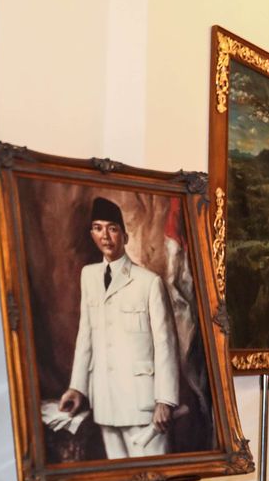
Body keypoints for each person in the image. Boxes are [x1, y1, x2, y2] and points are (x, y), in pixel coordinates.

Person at [58, 196, 179, 459]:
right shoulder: (88, 276)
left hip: (143, 403)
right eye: (98, 228)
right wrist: (77, 387)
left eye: (112, 228)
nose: (105, 236)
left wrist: (165, 400)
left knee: (155, 479)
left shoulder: (148, 282)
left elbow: (165, 344)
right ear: (91, 233)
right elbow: (86, 335)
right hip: (105, 400)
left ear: (124, 236)